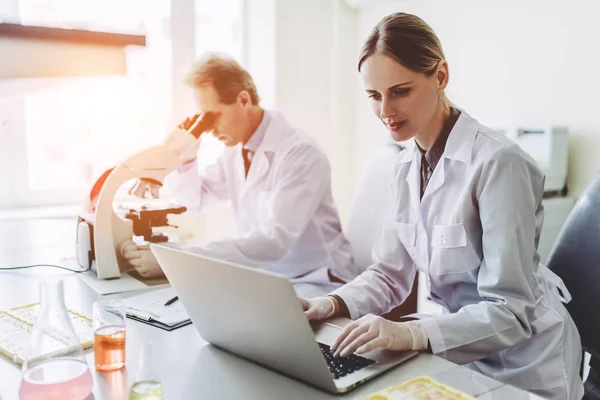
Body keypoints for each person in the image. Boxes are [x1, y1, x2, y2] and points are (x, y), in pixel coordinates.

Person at [301, 12, 583, 400]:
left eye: (400, 91)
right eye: (374, 95)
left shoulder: (499, 163)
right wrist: (331, 304)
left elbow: (511, 311)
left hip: (526, 364)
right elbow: (388, 274)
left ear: (441, 77)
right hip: (457, 352)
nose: (385, 110)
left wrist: (412, 332)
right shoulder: (404, 166)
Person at [121, 52, 360, 298]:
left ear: (243, 100)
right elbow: (195, 201)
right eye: (202, 119)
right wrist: (187, 158)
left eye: (212, 116)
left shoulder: (300, 153)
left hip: (320, 279)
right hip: (274, 275)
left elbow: (274, 240)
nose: (210, 129)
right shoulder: (235, 153)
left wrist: (179, 259)